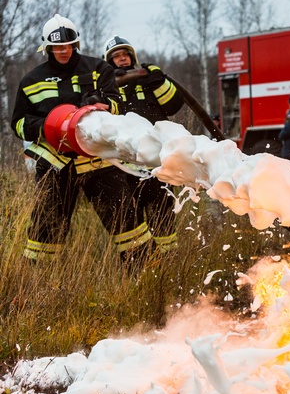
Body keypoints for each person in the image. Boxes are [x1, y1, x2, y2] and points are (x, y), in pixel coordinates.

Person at [10, 14, 152, 268]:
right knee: (46, 228)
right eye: (57, 47)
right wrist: (43, 127)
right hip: (55, 164)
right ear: (47, 48)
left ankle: (146, 277)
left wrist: (100, 105)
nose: (63, 51)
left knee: (126, 223)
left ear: (75, 44)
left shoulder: (98, 69)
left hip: (99, 161)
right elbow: (18, 123)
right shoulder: (31, 81)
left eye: (67, 45)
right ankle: (36, 285)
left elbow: (118, 106)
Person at [103, 35, 185, 253]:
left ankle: (168, 260)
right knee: (131, 215)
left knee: (163, 213)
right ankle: (143, 263)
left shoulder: (147, 80)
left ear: (132, 57)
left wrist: (159, 81)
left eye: (125, 55)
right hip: (124, 167)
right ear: (109, 62)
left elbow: (173, 106)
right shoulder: (106, 87)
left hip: (157, 163)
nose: (122, 60)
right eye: (116, 57)